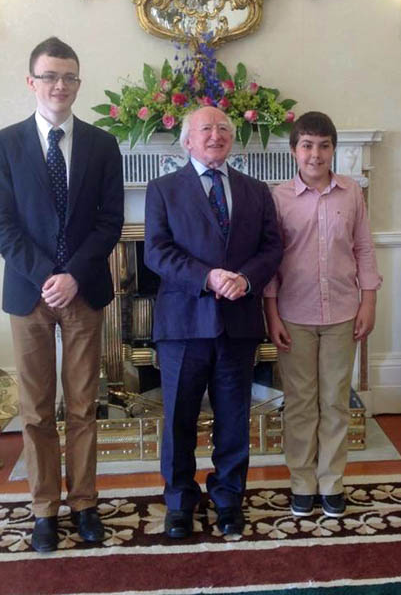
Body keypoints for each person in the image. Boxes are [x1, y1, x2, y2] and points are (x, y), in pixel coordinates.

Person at [0, 37, 124, 552]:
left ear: (78, 84)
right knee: (37, 410)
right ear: (32, 82)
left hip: (85, 292)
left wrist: (74, 275)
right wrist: (48, 274)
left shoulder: (103, 145)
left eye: (68, 77)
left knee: (85, 406)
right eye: (49, 76)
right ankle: (45, 509)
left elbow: (112, 222)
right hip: (29, 293)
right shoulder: (4, 144)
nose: (59, 86)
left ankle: (84, 502)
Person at [144, 106, 282, 538]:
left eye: (224, 128)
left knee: (233, 419)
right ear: (187, 140)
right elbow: (157, 252)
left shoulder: (256, 191)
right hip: (184, 325)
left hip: (238, 323)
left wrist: (244, 278)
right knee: (180, 421)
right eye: (206, 128)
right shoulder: (163, 189)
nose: (216, 135)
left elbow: (272, 247)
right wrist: (207, 277)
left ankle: (227, 500)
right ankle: (180, 502)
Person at [264, 111, 382, 518]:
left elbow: (364, 249)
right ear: (294, 151)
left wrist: (368, 302)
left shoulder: (351, 194)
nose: (316, 154)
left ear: (334, 149)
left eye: (324, 145)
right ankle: (302, 481)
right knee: (300, 401)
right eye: (307, 145)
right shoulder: (278, 198)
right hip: (294, 314)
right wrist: (272, 314)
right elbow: (271, 262)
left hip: (343, 313)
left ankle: (331, 481)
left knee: (334, 400)